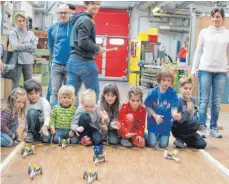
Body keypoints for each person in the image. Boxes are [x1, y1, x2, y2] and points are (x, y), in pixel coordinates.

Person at [192, 8, 229, 138]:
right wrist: (193, 69)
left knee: (216, 101)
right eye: (213, 17)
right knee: (204, 100)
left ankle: (214, 127)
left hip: (221, 72)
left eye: (218, 17)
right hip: (205, 70)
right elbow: (198, 51)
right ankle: (202, 127)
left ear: (222, 18)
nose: (215, 19)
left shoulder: (227, 34)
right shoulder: (204, 32)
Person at [67, 1, 104, 104]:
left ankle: (66, 117)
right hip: (84, 62)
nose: (96, 6)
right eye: (93, 3)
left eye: (98, 4)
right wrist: (97, 49)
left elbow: (80, 42)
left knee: (69, 95)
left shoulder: (80, 18)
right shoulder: (86, 20)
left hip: (74, 60)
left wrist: (93, 50)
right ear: (86, 5)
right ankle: (92, 118)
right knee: (93, 94)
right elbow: (83, 42)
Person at [144, 66, 180, 148]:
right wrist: (155, 116)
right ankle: (147, 135)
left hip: (165, 125)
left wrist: (175, 115)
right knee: (152, 144)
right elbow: (147, 106)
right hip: (153, 124)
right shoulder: (153, 92)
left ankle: (160, 136)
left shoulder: (173, 93)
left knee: (163, 145)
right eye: (164, 80)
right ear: (159, 80)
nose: (166, 83)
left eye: (168, 80)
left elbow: (174, 108)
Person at [47, 4, 73, 108]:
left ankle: (70, 117)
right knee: (54, 92)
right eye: (60, 13)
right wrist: (56, 57)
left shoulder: (74, 27)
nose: (63, 15)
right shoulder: (52, 28)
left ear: (69, 13)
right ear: (57, 14)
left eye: (65, 13)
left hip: (71, 65)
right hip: (56, 65)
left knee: (70, 92)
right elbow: (51, 45)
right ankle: (52, 115)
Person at [172, 77, 207, 149]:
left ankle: (184, 139)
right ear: (180, 89)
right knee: (196, 122)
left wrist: (199, 126)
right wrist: (188, 110)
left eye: (190, 89)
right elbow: (180, 121)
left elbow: (194, 116)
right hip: (178, 128)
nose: (188, 90)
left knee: (202, 144)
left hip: (189, 128)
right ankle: (179, 138)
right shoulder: (177, 101)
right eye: (185, 88)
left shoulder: (192, 101)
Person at [9, 12, 37, 90]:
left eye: (23, 20)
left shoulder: (30, 34)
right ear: (16, 22)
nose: (21, 23)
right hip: (17, 61)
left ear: (26, 21)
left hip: (28, 62)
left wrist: (22, 45)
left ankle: (29, 101)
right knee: (15, 84)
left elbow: (34, 48)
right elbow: (16, 47)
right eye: (19, 21)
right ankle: (13, 101)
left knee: (29, 84)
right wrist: (29, 45)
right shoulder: (13, 33)